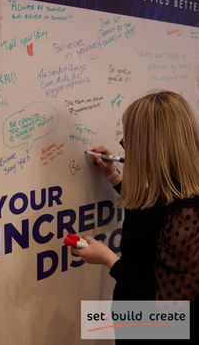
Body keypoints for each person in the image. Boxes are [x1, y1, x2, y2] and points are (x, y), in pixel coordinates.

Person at [72, 91, 199, 342]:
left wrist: (109, 260)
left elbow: (169, 315)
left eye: (129, 141)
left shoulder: (187, 216)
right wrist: (114, 177)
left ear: (151, 148)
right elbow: (151, 214)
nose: (125, 147)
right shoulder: (174, 191)